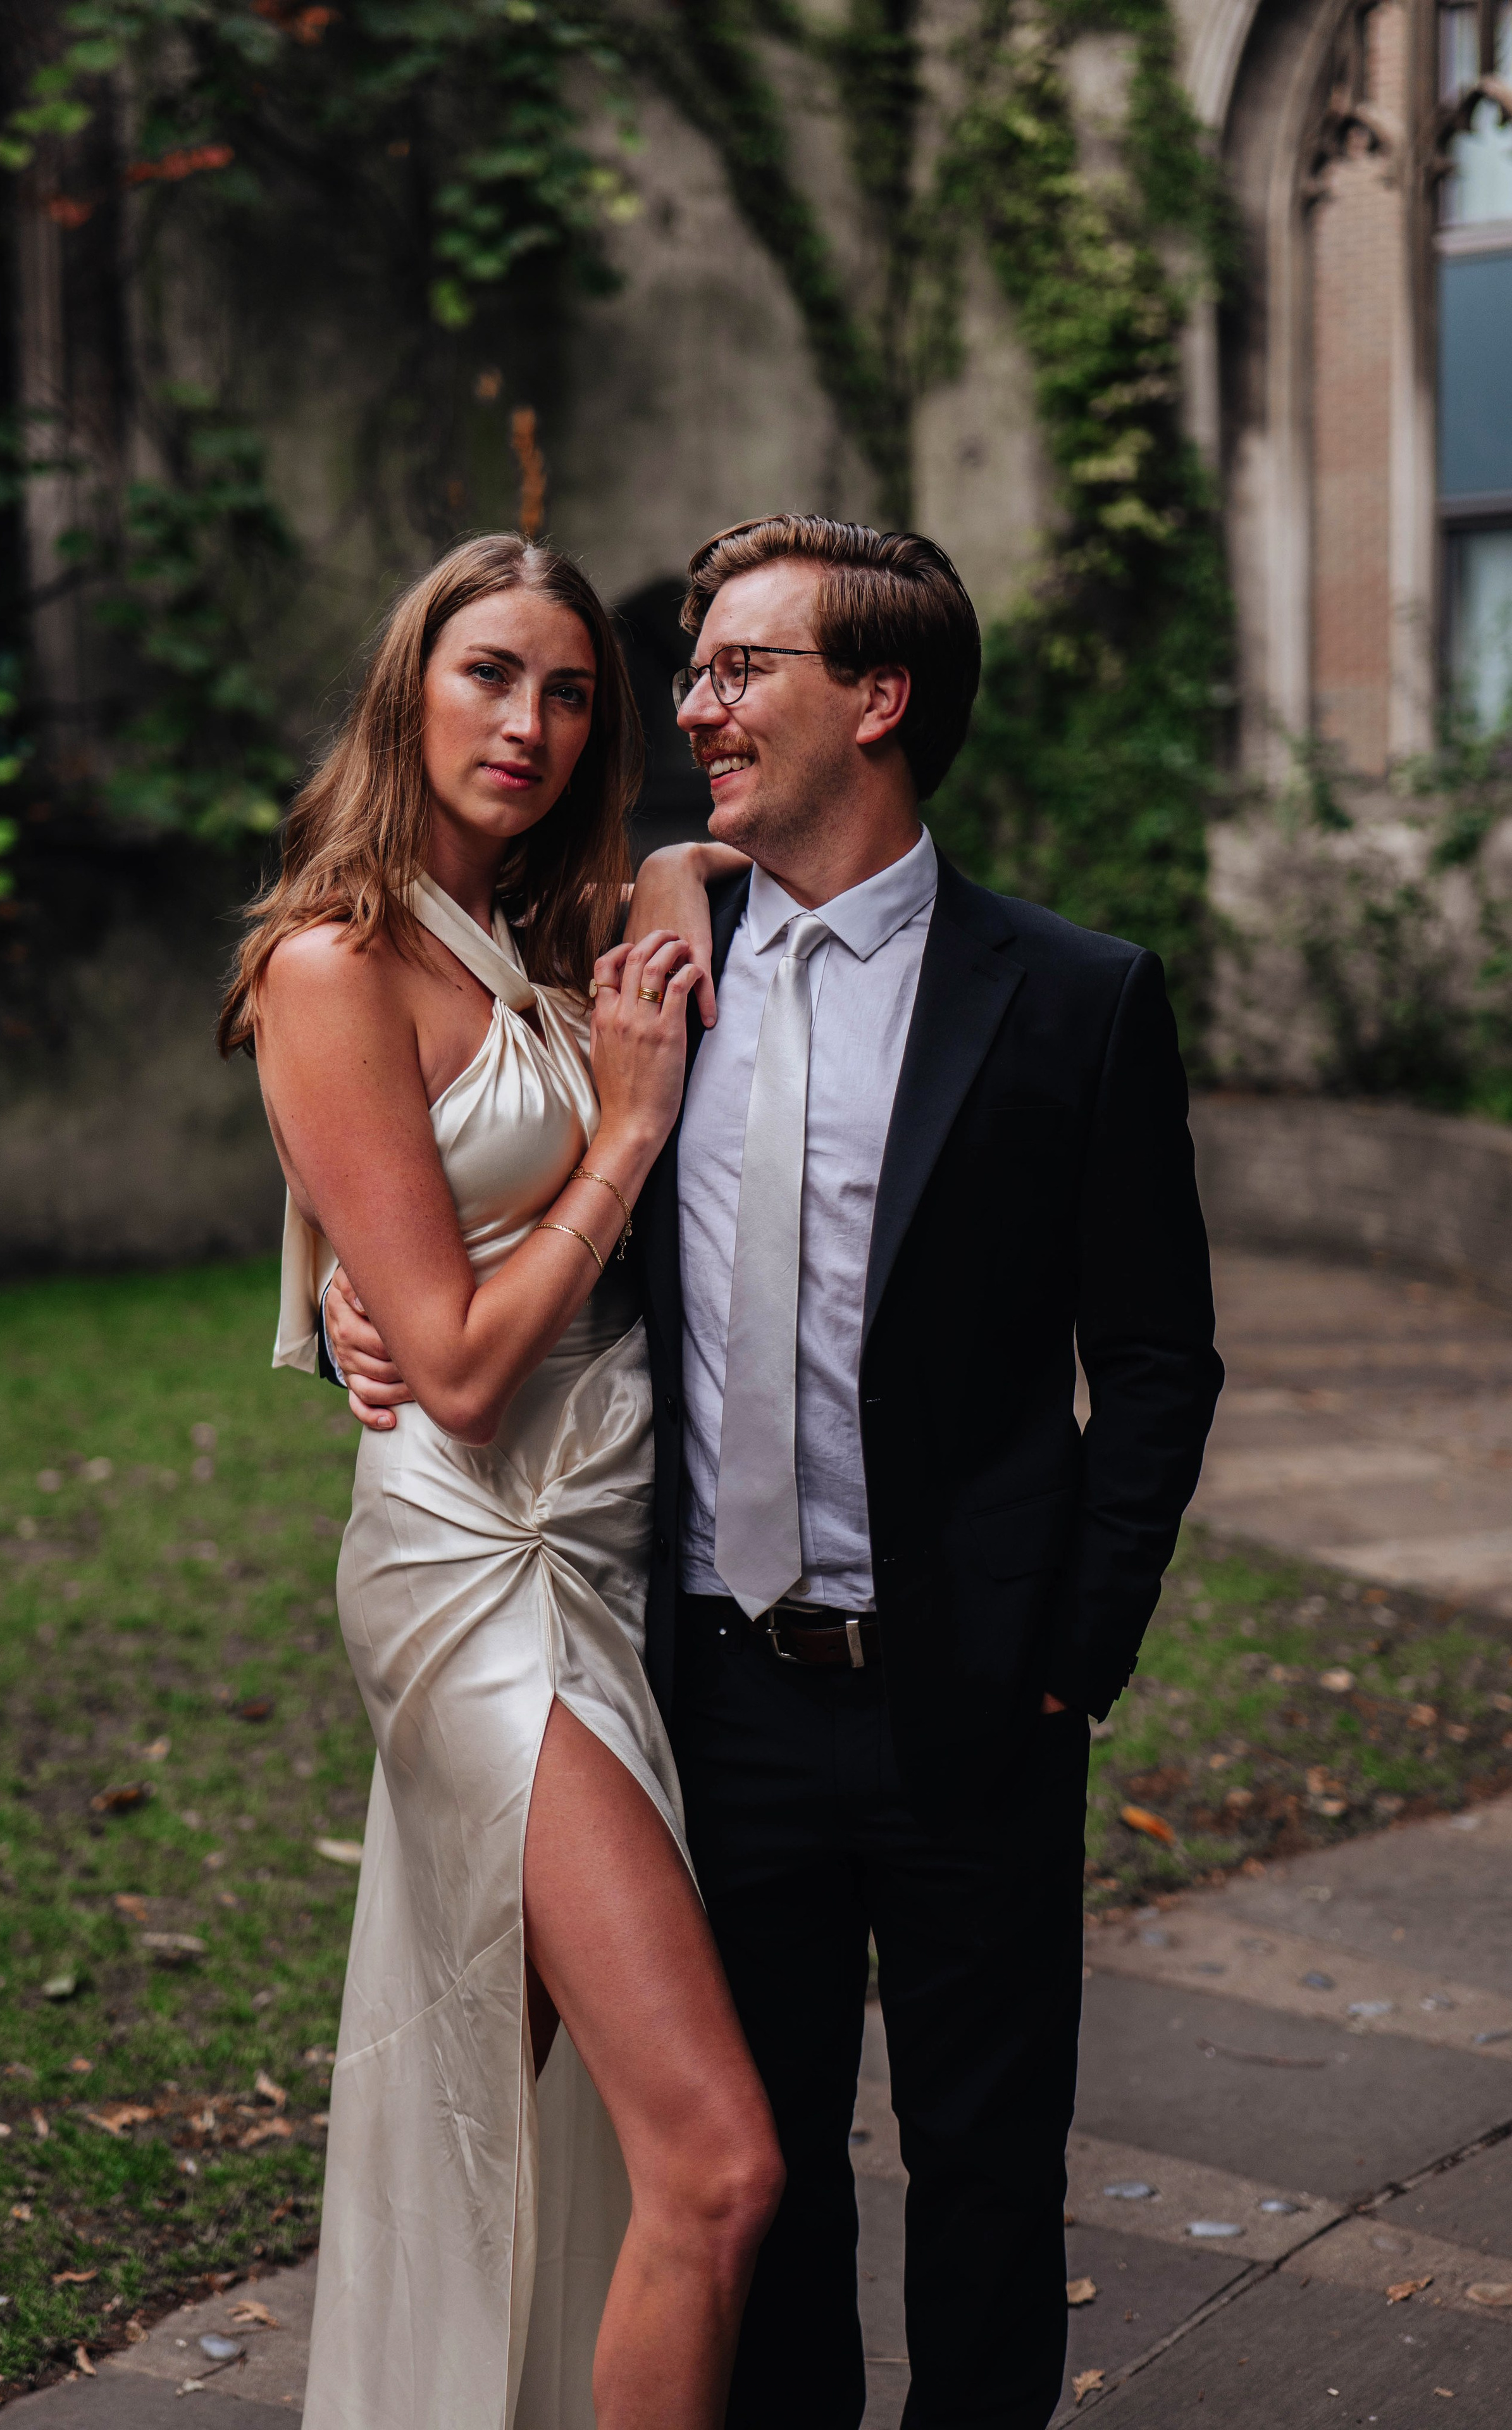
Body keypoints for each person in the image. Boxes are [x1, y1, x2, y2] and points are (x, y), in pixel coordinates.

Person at [327, 513, 1225, 2427]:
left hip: (980, 1691)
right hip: (714, 1690)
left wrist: (1075, 1647)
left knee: (990, 2178)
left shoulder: (1072, 998)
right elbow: (447, 1146)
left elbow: (1154, 1361)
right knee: (766, 2183)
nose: (694, 705)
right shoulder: (651, 952)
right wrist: (343, 1306)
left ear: (877, 698)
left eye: (740, 668)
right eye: (698, 668)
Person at [219, 532, 783, 2430]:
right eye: (487, 676)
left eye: (565, 692)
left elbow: (692, 870)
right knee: (717, 2163)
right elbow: (453, 1363)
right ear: (408, 688)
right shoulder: (331, 963)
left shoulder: (559, 933)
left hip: (612, 1558)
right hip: (481, 1577)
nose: (526, 723)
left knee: (547, 2129)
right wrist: (625, 1134)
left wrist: (694, 863)